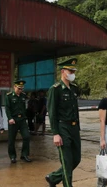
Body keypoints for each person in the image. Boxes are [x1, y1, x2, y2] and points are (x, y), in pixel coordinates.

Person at [45, 58, 81, 187]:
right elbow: (52, 112)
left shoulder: (74, 88)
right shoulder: (55, 89)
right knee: (67, 161)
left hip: (74, 128)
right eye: (70, 71)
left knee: (76, 159)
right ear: (63, 71)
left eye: (73, 71)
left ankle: (53, 178)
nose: (72, 73)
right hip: (62, 127)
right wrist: (55, 133)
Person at [5, 79, 31, 163]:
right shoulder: (9, 96)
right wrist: (10, 118)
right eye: (19, 88)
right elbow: (7, 108)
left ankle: (24, 154)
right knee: (11, 139)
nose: (20, 90)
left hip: (22, 120)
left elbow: (25, 107)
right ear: (14, 87)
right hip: (13, 120)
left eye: (21, 88)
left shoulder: (23, 96)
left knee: (26, 136)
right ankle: (12, 156)